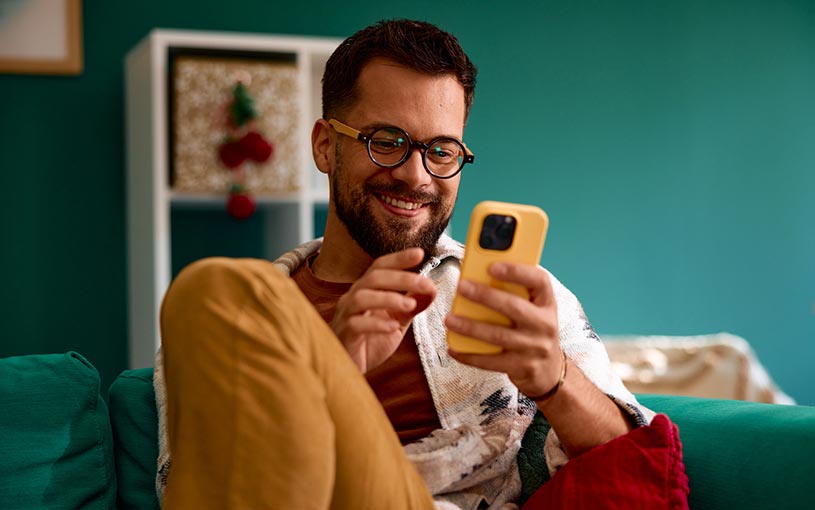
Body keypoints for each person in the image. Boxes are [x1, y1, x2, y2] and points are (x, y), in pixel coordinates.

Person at [154, 19, 654, 510]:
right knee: (212, 288)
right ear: (325, 146)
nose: (416, 176)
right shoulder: (243, 314)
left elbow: (636, 461)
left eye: (442, 151)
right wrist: (335, 366)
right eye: (386, 142)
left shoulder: (514, 296)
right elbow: (192, 480)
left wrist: (554, 377)